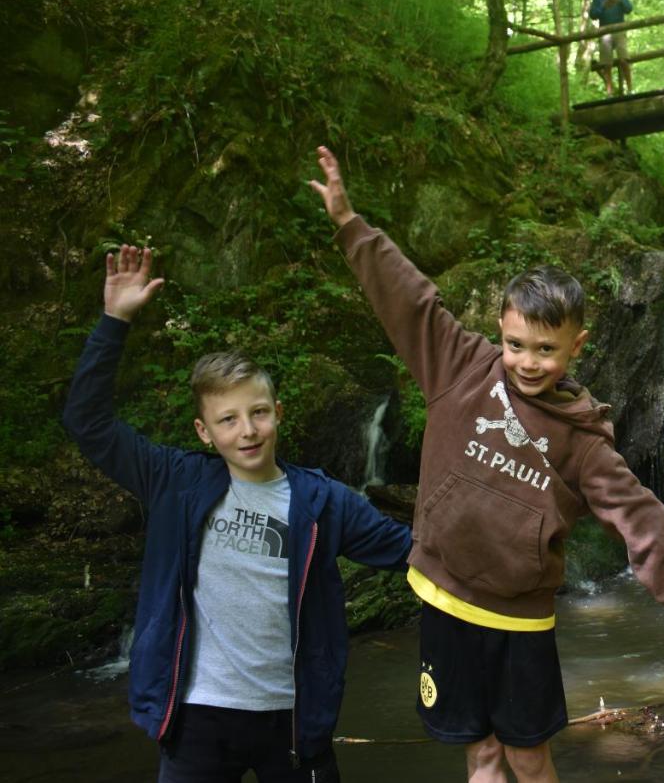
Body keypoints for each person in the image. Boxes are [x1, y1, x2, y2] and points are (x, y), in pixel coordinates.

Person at [308, 146, 664, 783]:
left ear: (577, 346)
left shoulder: (582, 440)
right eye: (516, 344)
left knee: (527, 754)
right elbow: (408, 300)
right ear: (499, 329)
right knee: (480, 753)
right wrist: (351, 223)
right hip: (443, 600)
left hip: (520, 620)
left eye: (546, 349)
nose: (527, 362)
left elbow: (636, 513)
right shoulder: (460, 367)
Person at [62, 244, 413, 783]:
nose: (246, 431)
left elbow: (417, 552)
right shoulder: (176, 480)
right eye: (228, 420)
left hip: (295, 722)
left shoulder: (323, 501)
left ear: (278, 413)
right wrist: (114, 320)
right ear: (204, 431)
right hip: (198, 717)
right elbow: (87, 422)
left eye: (258, 413)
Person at [588, 0, 633, 96]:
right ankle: (610, 92)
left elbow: (629, 9)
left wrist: (620, 1)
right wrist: (603, 5)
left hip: (619, 29)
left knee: (624, 59)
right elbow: (593, 14)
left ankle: (630, 89)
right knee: (606, 63)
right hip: (605, 32)